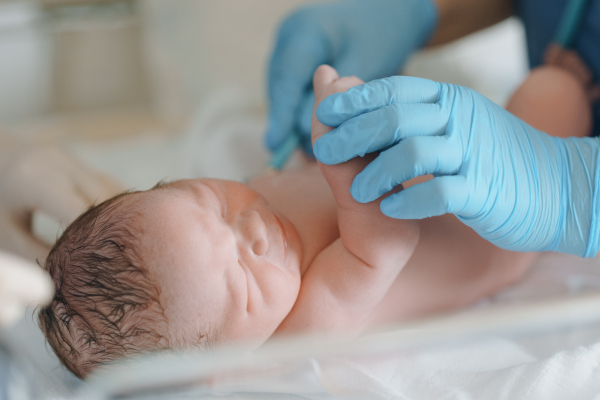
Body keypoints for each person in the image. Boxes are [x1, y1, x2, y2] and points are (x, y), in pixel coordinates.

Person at [38, 61, 590, 378]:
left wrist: (314, 146)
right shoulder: (299, 329)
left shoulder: (244, 243)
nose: (252, 229)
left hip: (438, 178)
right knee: (550, 91)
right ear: (223, 368)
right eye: (242, 280)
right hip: (485, 241)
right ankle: (578, 82)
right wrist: (338, 158)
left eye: (213, 202)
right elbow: (383, 243)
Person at [267, 0, 600, 257]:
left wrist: (573, 187)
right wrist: (418, 9)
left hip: (537, 193)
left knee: (554, 92)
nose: (244, 231)